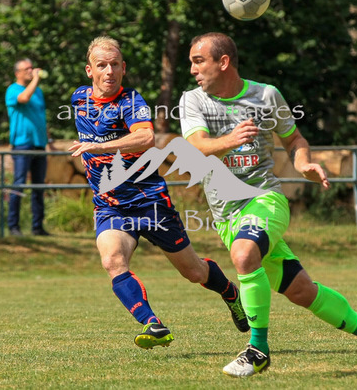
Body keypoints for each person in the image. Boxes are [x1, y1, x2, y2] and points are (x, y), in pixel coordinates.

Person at [179, 32, 357, 377]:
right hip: (227, 216)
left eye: (199, 61)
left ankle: (257, 350)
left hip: (265, 199)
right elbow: (196, 146)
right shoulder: (192, 100)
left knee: (244, 255)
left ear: (223, 62)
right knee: (302, 292)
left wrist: (304, 164)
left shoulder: (266, 95)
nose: (193, 69)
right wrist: (230, 140)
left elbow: (294, 139)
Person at [68, 36, 249, 349]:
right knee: (112, 261)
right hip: (110, 206)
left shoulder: (130, 101)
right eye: (102, 65)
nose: (109, 71)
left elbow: (146, 138)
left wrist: (99, 146)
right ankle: (153, 324)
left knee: (194, 272)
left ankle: (229, 292)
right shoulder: (79, 98)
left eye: (115, 65)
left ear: (123, 68)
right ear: (89, 70)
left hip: (149, 202)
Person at [5, 58, 54, 236]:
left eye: (31, 68)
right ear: (17, 73)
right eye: (26, 69)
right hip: (22, 143)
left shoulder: (38, 91)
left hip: (39, 143)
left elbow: (41, 117)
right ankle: (13, 226)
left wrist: (49, 140)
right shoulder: (13, 90)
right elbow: (24, 98)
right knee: (19, 184)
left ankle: (37, 227)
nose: (31, 71)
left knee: (39, 186)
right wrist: (36, 80)